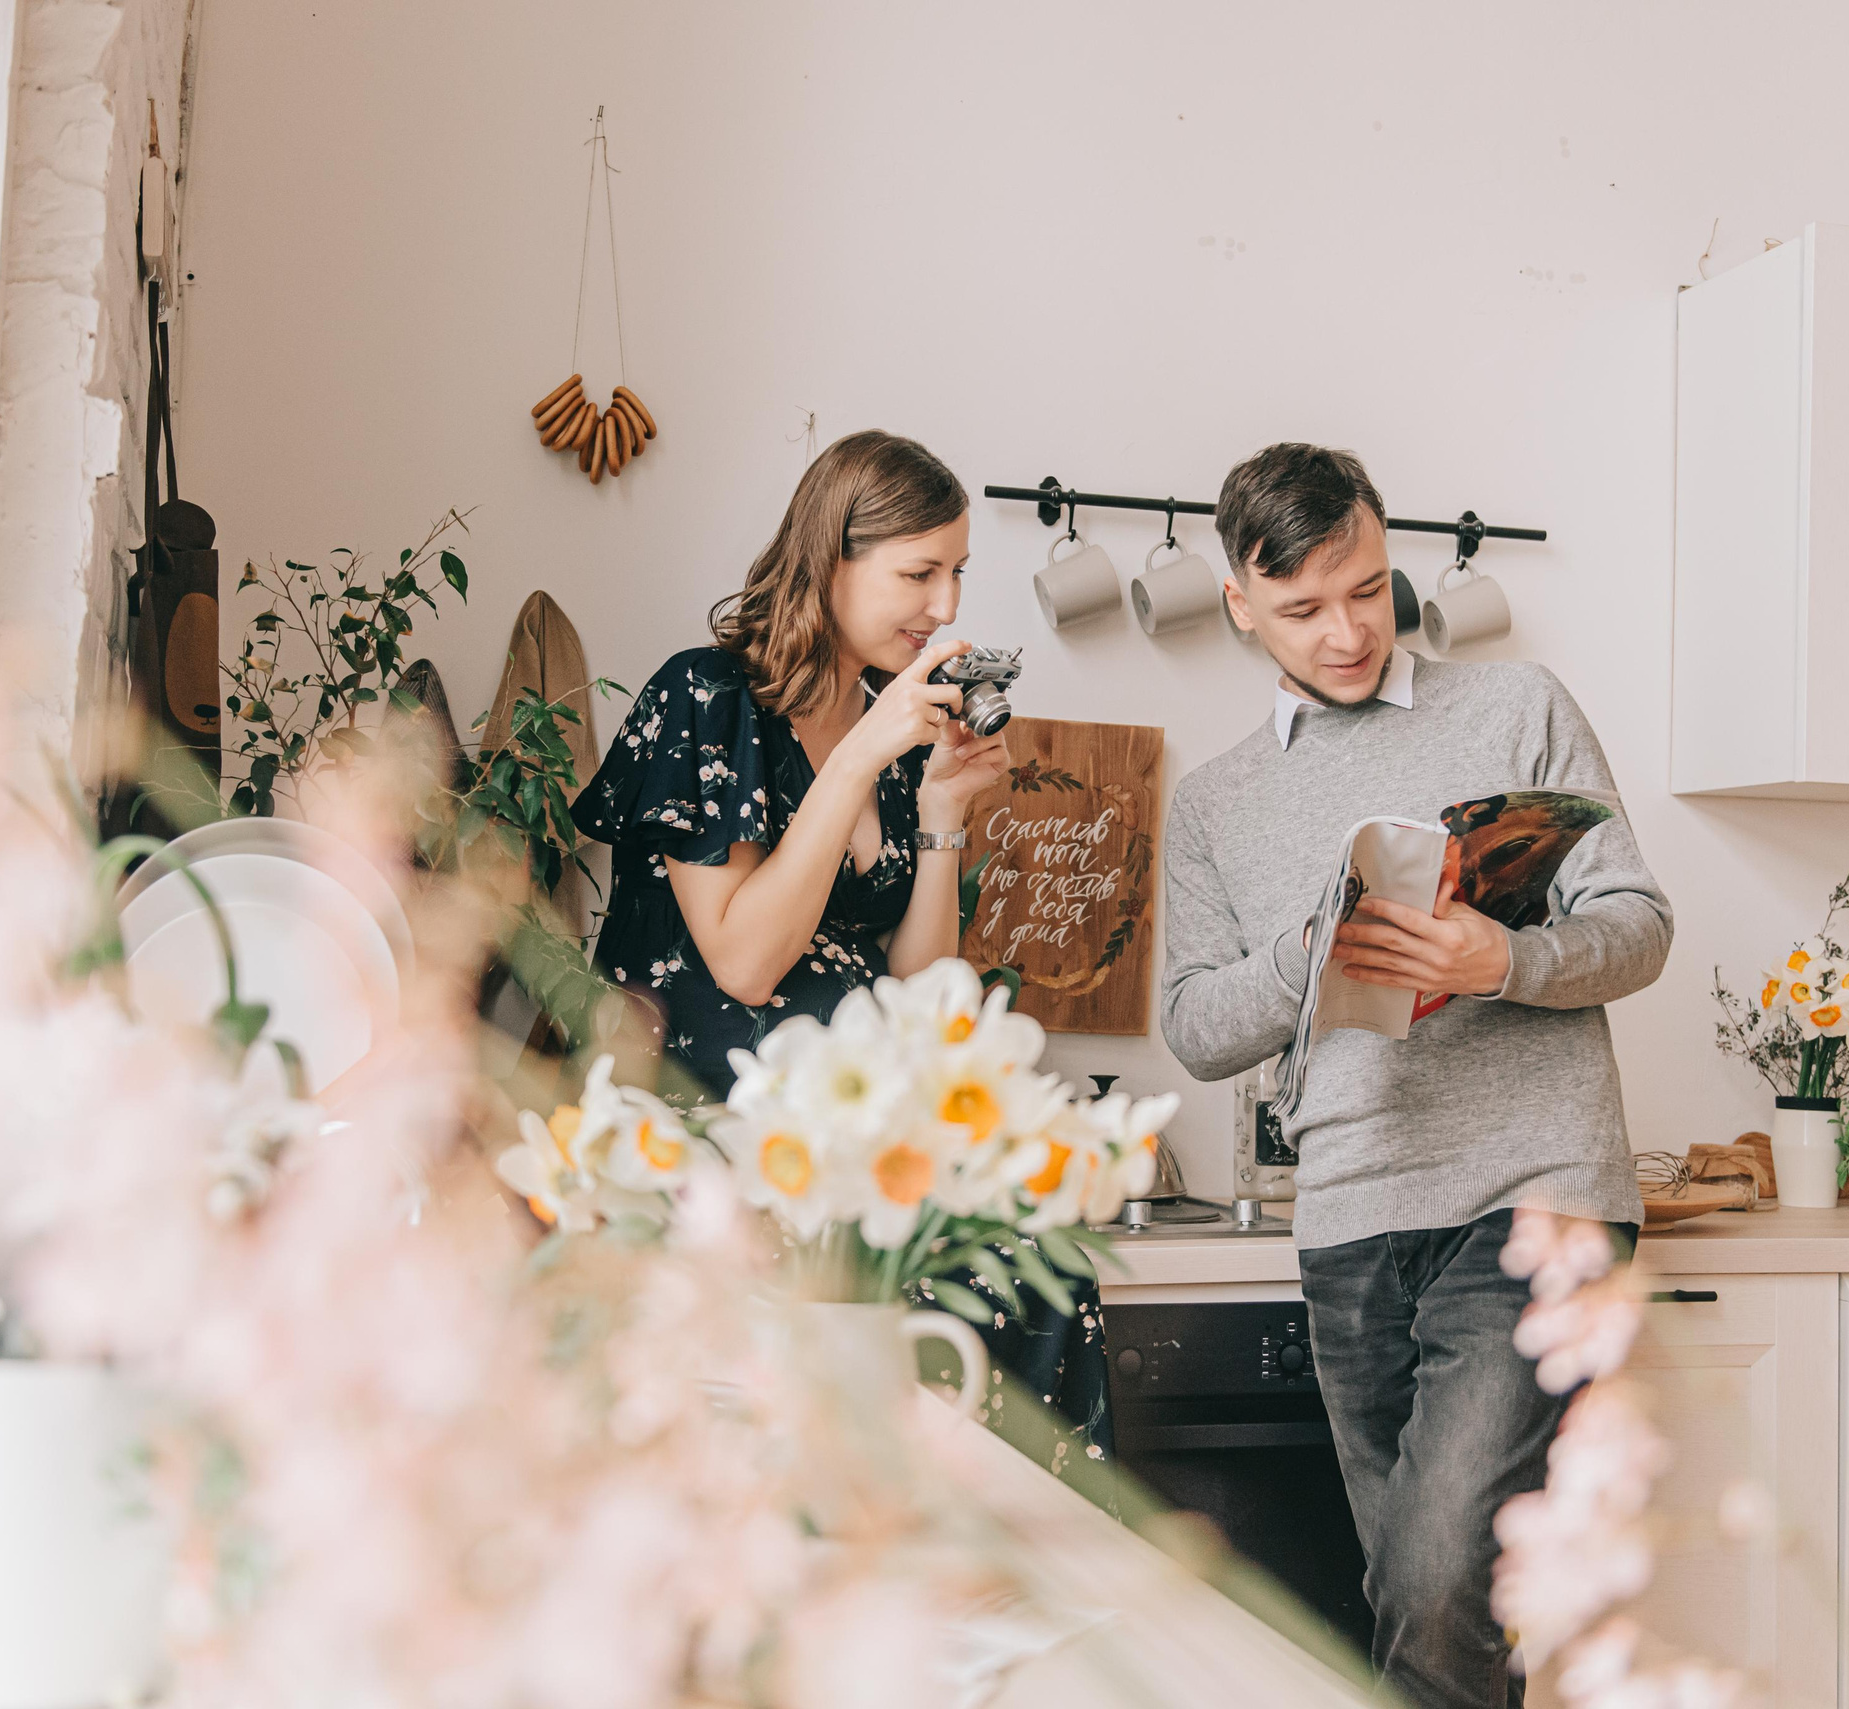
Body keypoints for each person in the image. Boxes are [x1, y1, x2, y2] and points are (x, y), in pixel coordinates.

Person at [1156, 443, 1670, 1708]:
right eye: (1302, 608)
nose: (1345, 632)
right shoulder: (1215, 800)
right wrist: (1311, 942)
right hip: (1349, 1223)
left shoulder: (1516, 707)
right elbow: (1192, 1023)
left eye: (1368, 589)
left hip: (1531, 1198)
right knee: (1425, 1607)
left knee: (1438, 1584)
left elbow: (1640, 925)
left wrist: (1503, 954)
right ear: (1239, 604)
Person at [570, 429, 1117, 1469]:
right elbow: (743, 962)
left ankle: (1008, 1584)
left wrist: (945, 806)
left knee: (1038, 1258)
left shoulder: (892, 739)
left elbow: (924, 998)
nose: (946, 606)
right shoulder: (706, 698)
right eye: (919, 572)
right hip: (715, 1144)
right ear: (830, 561)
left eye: (957, 572)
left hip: (850, 1142)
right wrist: (864, 755)